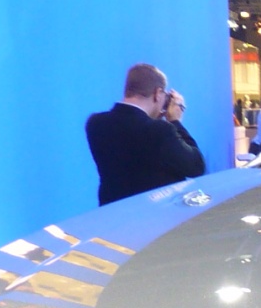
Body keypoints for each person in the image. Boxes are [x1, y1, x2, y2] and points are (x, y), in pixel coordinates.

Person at [85, 64, 205, 206]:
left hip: (112, 212)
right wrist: (175, 122)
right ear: (157, 93)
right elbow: (196, 166)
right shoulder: (160, 131)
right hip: (155, 213)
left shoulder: (95, 123)